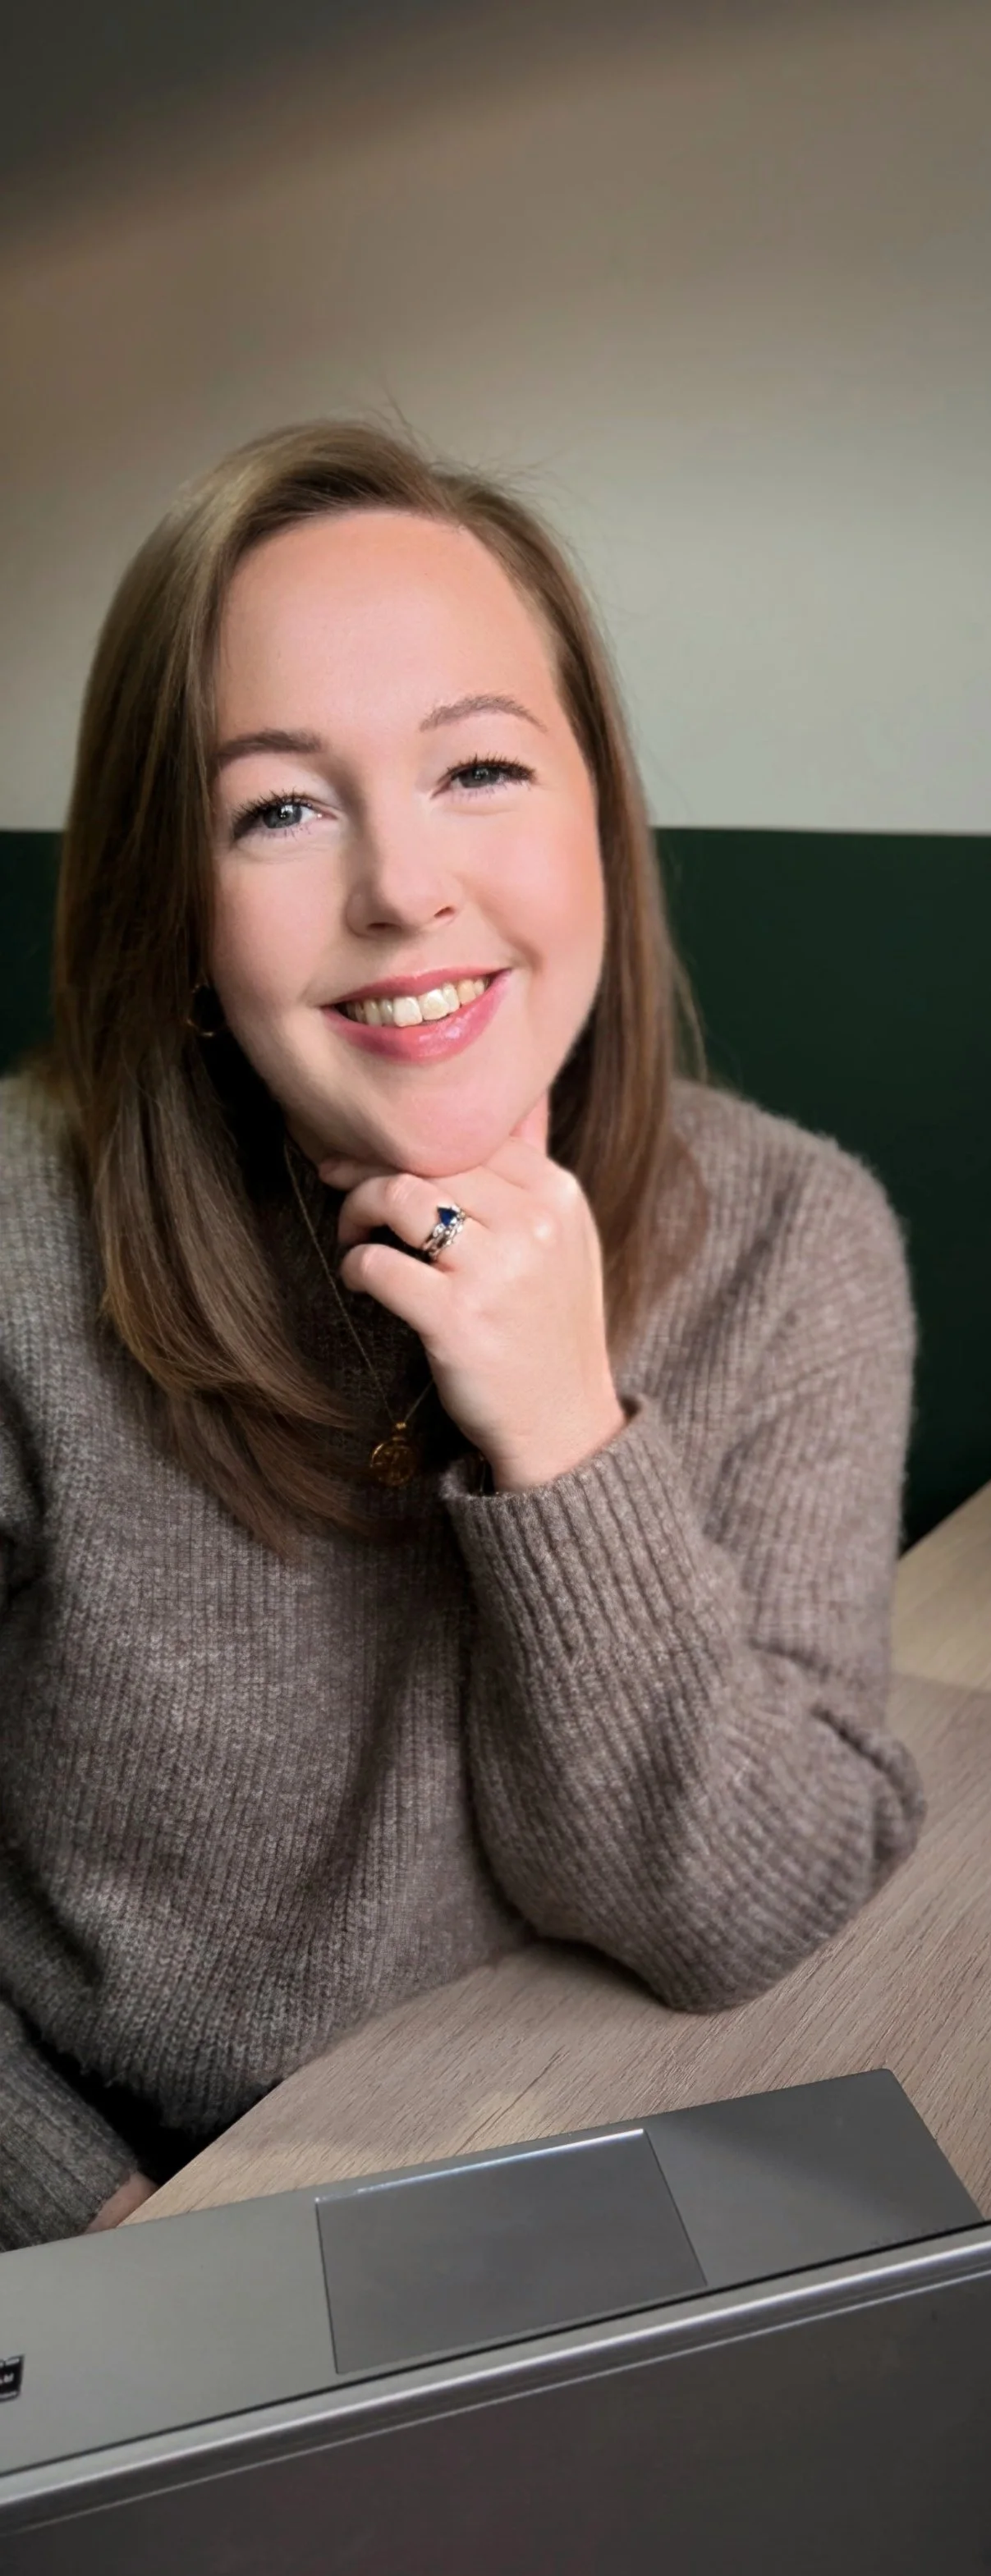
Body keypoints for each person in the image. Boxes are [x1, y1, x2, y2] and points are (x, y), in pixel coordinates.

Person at [0, 420, 925, 2251]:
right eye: (279, 804)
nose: (404, 889)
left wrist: (568, 1439)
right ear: (176, 907)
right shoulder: (21, 1233)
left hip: (577, 2156)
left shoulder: (797, 1238)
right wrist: (98, 2230)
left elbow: (752, 1904)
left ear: (598, 812)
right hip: (123, 2195)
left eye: (480, 768)